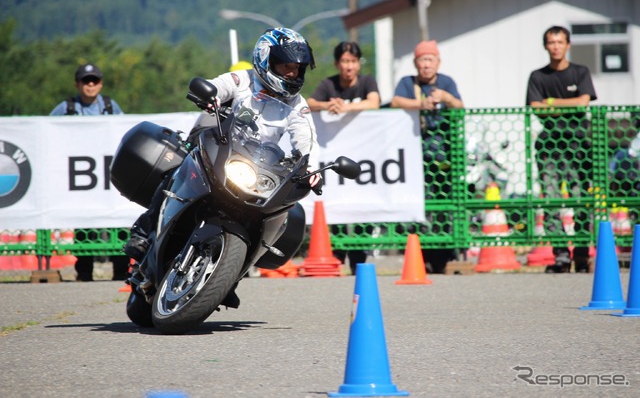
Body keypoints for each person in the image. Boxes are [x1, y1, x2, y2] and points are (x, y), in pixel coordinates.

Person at [124, 28, 321, 306]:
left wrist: (309, 165)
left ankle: (228, 274)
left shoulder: (296, 105)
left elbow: (306, 137)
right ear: (266, 60)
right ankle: (144, 232)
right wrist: (211, 96)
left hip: (257, 163)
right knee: (179, 167)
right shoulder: (244, 80)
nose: (292, 73)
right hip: (220, 143)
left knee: (270, 211)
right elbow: (217, 86)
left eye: (297, 68)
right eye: (286, 66)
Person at [526, 25, 597, 273]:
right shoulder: (538, 76)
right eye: (551, 42)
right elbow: (535, 106)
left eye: (559, 42)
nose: (555, 46)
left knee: (580, 198)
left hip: (578, 145)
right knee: (552, 199)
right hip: (549, 145)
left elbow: (583, 102)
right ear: (545, 46)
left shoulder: (580, 72)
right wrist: (564, 106)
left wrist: (553, 103)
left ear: (568, 45)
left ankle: (580, 252)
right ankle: (560, 255)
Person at [50, 63, 128, 282]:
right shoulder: (66, 107)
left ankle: (121, 271)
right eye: (86, 81)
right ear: (78, 84)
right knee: (85, 222)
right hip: (81, 175)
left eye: (94, 80)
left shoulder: (111, 106)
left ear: (101, 84)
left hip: (108, 172)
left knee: (118, 222)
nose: (90, 85)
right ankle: (84, 272)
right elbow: (47, 130)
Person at [307, 41, 380, 274]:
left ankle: (359, 256)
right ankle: (336, 254)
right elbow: (310, 103)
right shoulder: (329, 84)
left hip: (364, 158)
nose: (349, 67)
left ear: (358, 64)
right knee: (337, 204)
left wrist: (346, 108)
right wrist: (327, 104)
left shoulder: (367, 81)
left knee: (362, 206)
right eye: (345, 61)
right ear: (338, 64)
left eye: (353, 61)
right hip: (337, 158)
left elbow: (375, 102)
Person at [391, 40, 464, 273]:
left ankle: (442, 254)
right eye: (422, 60)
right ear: (416, 63)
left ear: (438, 62)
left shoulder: (447, 83)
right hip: (415, 156)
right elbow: (395, 102)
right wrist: (421, 104)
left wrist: (445, 98)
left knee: (443, 206)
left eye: (430, 59)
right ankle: (419, 253)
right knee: (419, 206)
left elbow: (460, 107)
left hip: (444, 156)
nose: (426, 65)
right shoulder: (407, 83)